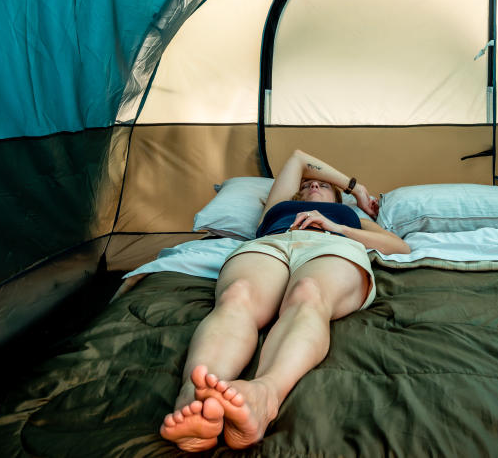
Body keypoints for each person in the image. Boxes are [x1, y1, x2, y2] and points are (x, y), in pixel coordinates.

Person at [159, 149, 409, 452]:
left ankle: (265, 396)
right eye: (306, 185)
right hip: (272, 244)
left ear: (337, 200)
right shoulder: (279, 206)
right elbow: (299, 159)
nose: (314, 186)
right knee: (237, 295)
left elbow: (399, 247)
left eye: (323, 185)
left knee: (308, 293)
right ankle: (193, 398)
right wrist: (355, 187)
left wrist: (339, 227)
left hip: (331, 244)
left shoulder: (350, 217)